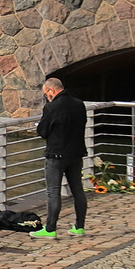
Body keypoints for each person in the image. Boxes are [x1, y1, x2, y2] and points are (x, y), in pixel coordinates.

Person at [33, 76, 87, 238]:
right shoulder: (79, 104)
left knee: (53, 191)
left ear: (52, 90)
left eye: (46, 94)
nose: (46, 97)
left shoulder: (52, 108)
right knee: (78, 190)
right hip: (76, 153)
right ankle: (79, 226)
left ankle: (50, 229)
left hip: (56, 154)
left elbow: (43, 132)